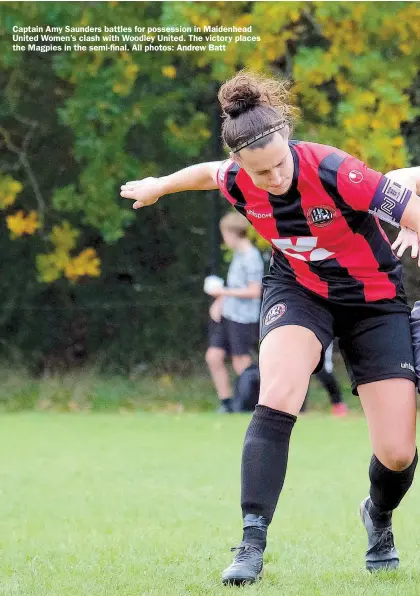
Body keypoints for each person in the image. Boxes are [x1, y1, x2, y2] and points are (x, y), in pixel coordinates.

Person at [121, 71, 420, 584]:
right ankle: (251, 544)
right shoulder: (236, 177)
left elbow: (408, 203)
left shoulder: (336, 170)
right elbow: (204, 173)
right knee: (278, 392)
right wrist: (160, 186)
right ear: (241, 164)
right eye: (261, 173)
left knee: (396, 452)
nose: (274, 178)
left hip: (375, 301)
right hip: (300, 291)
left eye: (280, 164)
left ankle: (379, 517)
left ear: (287, 140)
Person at [205, 211, 264, 413]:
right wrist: (220, 301)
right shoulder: (238, 256)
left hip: (244, 317)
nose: (224, 239)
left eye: (224, 234)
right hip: (229, 314)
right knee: (214, 356)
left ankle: (248, 404)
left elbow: (255, 291)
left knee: (242, 361)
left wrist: (222, 291)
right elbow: (234, 285)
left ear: (232, 233)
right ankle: (226, 403)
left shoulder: (252, 257)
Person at [300, 341, 347, 416]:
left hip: (323, 339)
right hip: (305, 340)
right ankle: (300, 408)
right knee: (302, 374)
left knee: (323, 372)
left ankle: (338, 404)